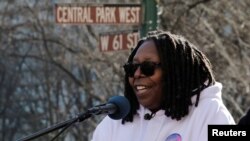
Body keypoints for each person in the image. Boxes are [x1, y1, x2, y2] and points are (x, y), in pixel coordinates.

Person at [91, 30, 235, 141]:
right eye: (132, 67)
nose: (137, 74)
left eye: (148, 67)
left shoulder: (211, 113)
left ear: (174, 71)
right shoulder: (114, 123)